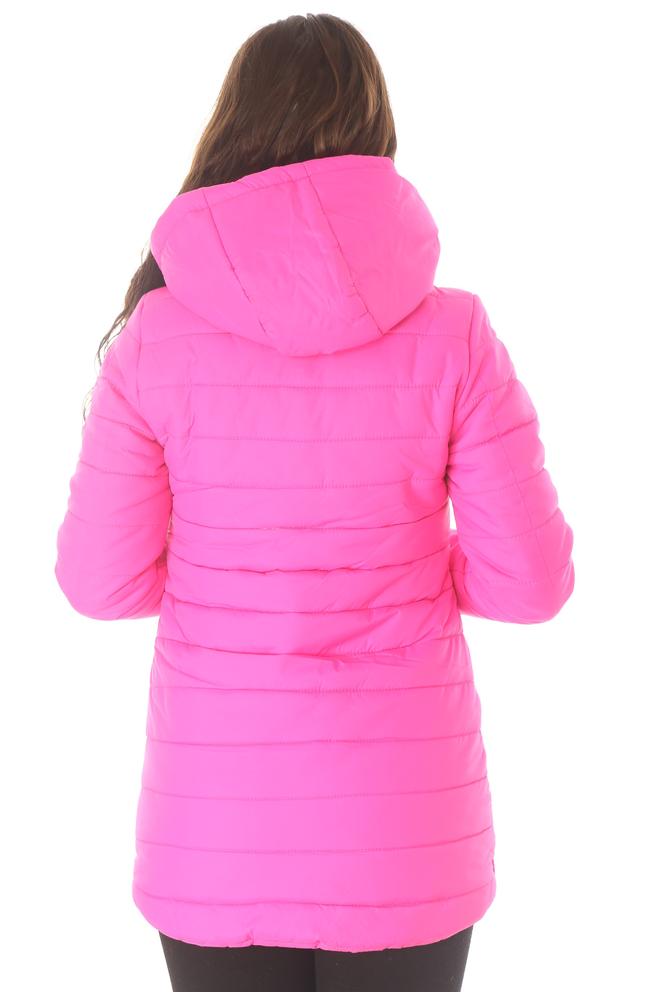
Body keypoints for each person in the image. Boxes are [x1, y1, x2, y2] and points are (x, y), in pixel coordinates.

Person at [53, 12, 575, 992]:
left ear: (232, 127)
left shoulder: (154, 339)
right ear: (377, 131)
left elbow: (98, 583)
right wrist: (409, 569)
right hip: (406, 835)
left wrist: (223, 573)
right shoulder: (456, 335)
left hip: (215, 830)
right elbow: (530, 585)